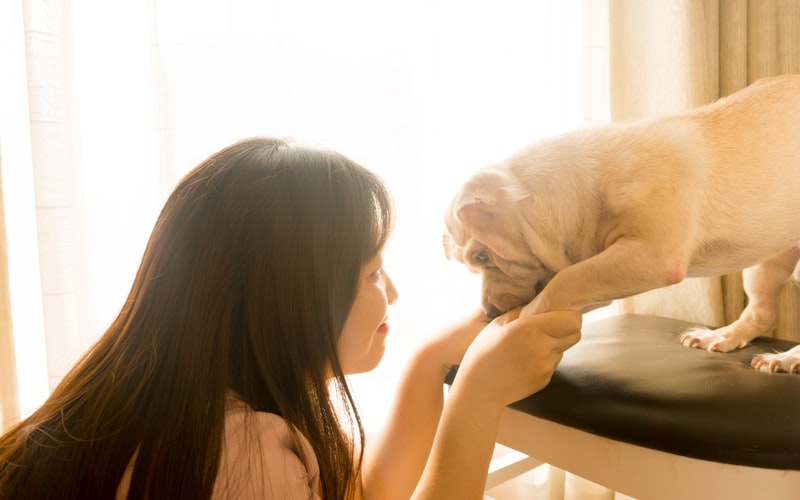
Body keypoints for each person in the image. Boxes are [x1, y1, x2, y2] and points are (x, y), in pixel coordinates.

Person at [0, 136, 581, 499]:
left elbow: (366, 493)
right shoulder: (241, 458)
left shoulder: (183, 410)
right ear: (294, 295)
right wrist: (477, 400)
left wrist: (431, 363)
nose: (393, 293)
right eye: (373, 273)